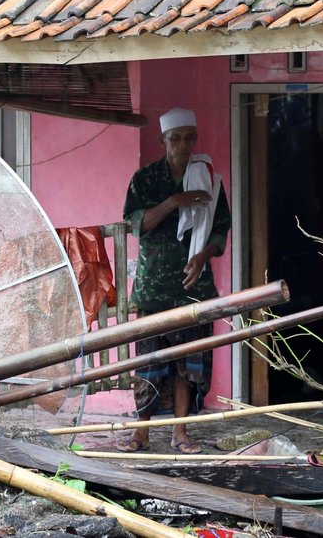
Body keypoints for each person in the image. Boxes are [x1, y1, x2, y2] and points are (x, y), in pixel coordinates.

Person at [118, 107, 231, 454]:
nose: (183, 145)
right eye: (175, 138)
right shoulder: (145, 179)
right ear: (163, 140)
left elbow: (220, 228)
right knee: (150, 361)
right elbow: (139, 223)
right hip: (154, 288)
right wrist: (173, 202)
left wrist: (202, 256)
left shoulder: (208, 178)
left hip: (193, 288)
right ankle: (142, 432)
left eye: (188, 137)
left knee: (188, 364)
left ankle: (180, 432)